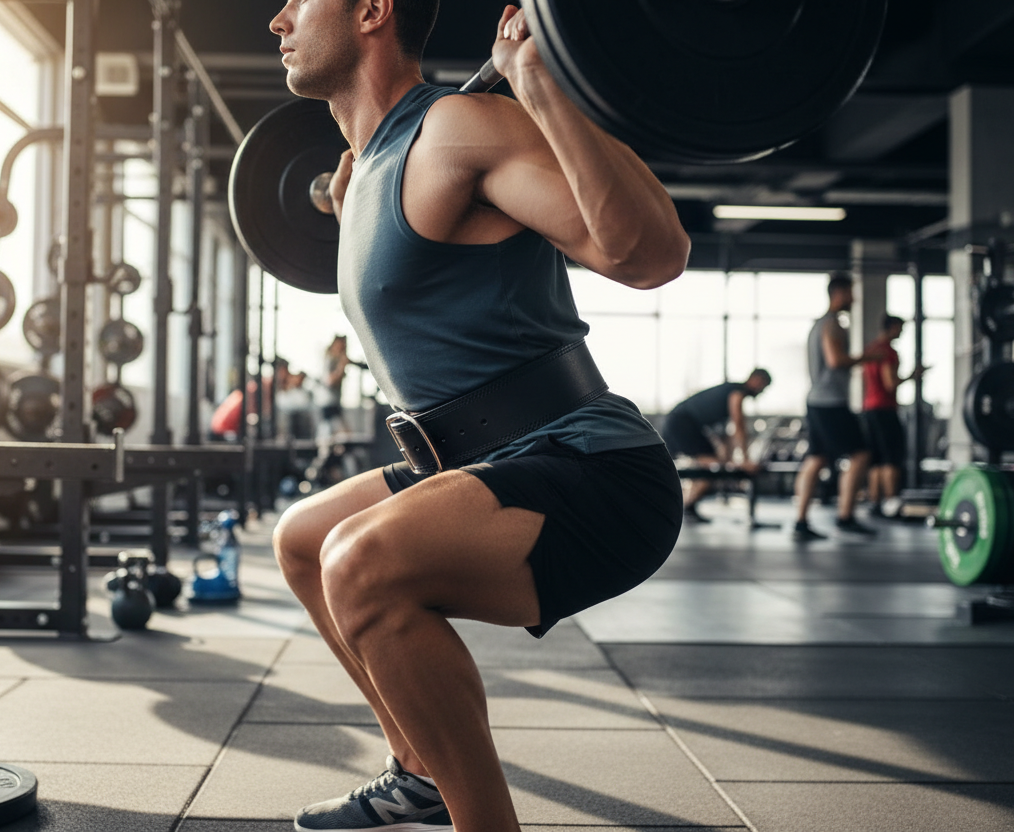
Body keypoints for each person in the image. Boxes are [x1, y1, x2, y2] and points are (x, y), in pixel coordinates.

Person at [266, 2, 691, 832]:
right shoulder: (365, 171)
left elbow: (650, 257)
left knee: (360, 563)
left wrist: (541, 87)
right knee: (306, 539)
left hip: (594, 472)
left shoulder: (458, 130)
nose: (278, 19)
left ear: (371, 11)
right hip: (468, 460)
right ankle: (418, 774)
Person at [792, 274, 879, 542]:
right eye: (851, 293)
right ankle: (845, 517)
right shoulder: (831, 324)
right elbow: (835, 360)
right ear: (839, 292)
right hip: (830, 402)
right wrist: (868, 357)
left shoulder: (819, 324)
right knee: (861, 455)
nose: (854, 299)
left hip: (816, 401)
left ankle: (801, 521)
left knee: (816, 459)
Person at [661, 369, 772, 523]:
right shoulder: (737, 393)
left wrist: (729, 459)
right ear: (756, 380)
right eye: (763, 386)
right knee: (714, 468)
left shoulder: (728, 391)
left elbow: (726, 435)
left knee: (714, 466)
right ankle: (684, 507)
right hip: (681, 424)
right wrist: (745, 461)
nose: (762, 391)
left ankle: (686, 506)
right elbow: (738, 426)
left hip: (684, 424)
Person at [861, 315, 924, 515]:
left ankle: (875, 503)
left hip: (869, 409)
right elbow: (890, 383)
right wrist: (912, 376)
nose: (902, 333)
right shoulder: (887, 352)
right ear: (893, 327)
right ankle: (891, 503)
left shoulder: (871, 349)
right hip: (885, 409)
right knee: (891, 458)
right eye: (900, 329)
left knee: (877, 459)